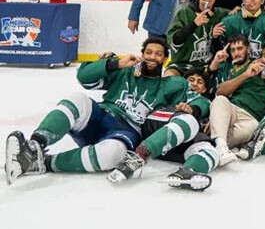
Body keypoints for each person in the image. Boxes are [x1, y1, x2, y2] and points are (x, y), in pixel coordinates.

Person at [4, 38, 188, 185]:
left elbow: (181, 110)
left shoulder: (173, 85)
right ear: (141, 54)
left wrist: (185, 109)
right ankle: (34, 146)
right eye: (148, 52)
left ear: (165, 59)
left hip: (127, 132)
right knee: (77, 99)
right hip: (102, 115)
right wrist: (113, 63)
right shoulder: (124, 71)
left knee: (112, 154)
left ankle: (43, 163)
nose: (152, 57)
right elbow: (83, 76)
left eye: (158, 54)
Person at [106, 68, 217, 191]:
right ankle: (138, 156)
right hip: (155, 126)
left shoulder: (205, 102)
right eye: (191, 80)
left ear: (205, 89)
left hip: (174, 142)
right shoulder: (176, 90)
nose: (194, 83)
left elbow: (203, 103)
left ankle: (187, 172)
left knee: (210, 150)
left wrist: (193, 110)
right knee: (188, 120)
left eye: (199, 82)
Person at [164, 0, 229, 77]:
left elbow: (239, 15)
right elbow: (175, 40)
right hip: (182, 64)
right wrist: (194, 24)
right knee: (168, 77)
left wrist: (237, 9)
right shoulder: (185, 13)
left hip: (206, 64)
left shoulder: (221, 13)